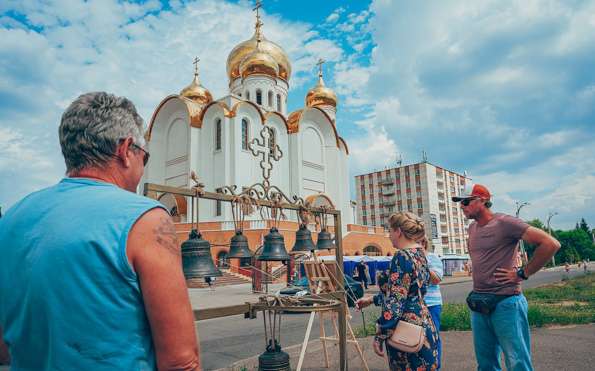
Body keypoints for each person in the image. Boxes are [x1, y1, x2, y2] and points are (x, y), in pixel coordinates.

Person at [0, 92, 200, 370]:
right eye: (146, 157)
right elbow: (181, 362)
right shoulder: (146, 220)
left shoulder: (11, 220)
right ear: (125, 150)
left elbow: (5, 349)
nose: (144, 167)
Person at [453, 184, 560, 371]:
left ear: (483, 201)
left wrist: (522, 273)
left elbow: (550, 244)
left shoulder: (505, 222)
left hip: (506, 303)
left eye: (466, 201)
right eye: (460, 202)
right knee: (486, 364)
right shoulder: (472, 229)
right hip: (479, 303)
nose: (462, 205)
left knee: (517, 363)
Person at [356, 212, 438, 370]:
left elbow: (396, 301)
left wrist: (381, 335)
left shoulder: (402, 256)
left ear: (399, 231)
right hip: (424, 326)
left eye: (390, 230)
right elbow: (409, 292)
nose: (388, 235)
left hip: (406, 331)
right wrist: (372, 299)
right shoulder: (420, 254)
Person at [420, 237, 443, 369]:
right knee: (416, 337)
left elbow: (436, 279)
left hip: (432, 304)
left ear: (423, 243)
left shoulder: (433, 258)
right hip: (415, 304)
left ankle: (435, 367)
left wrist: (422, 262)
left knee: (433, 337)